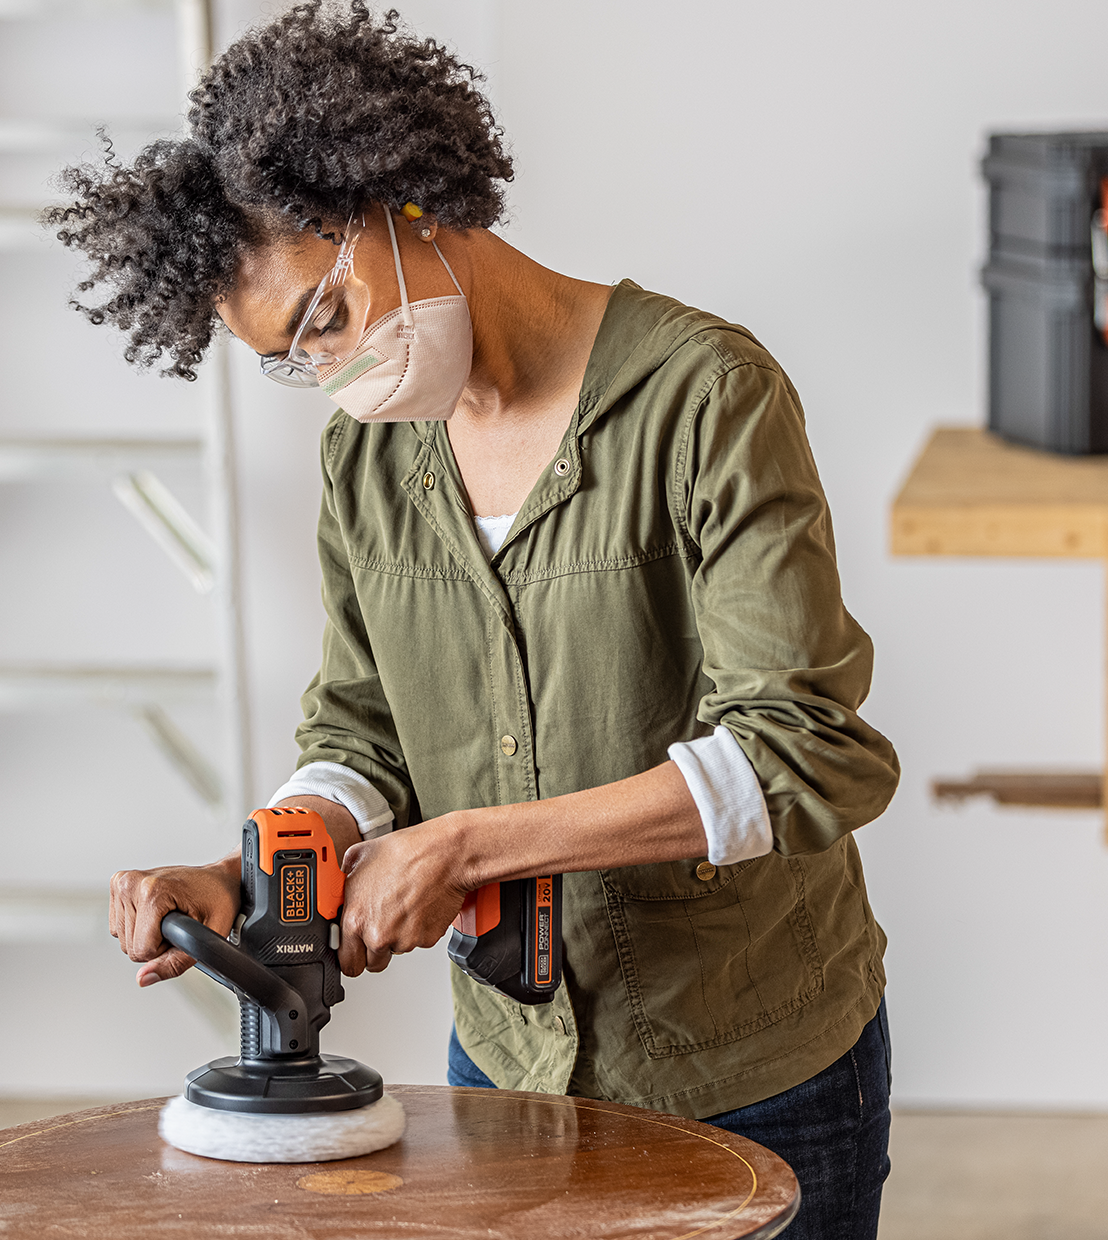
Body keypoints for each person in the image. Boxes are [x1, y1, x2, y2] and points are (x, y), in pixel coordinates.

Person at [50, 3, 900, 1234]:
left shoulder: (704, 396)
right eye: (292, 360)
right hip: (502, 1064)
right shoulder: (368, 461)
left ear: (407, 199)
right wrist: (259, 864)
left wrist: (468, 849)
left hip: (745, 1067)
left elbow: (799, 747)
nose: (335, 374)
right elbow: (362, 731)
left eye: (325, 317)